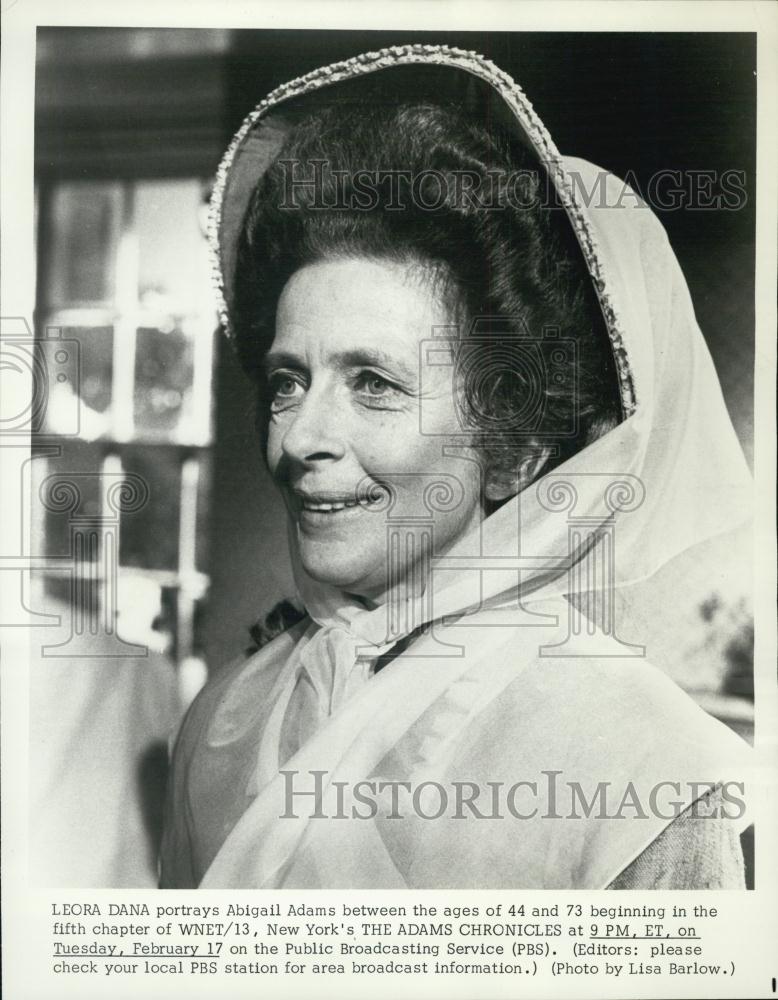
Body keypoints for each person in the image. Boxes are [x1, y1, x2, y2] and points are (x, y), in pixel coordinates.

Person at [160, 44, 753, 889]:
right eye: (290, 380)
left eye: (374, 383)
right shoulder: (223, 718)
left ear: (516, 448)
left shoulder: (644, 773)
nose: (298, 438)